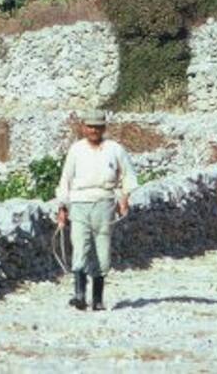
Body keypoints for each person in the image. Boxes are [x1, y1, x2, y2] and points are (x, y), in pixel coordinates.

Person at [55, 110, 138, 311]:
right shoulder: (76, 150)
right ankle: (79, 295)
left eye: (98, 127)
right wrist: (62, 207)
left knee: (102, 250)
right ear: (83, 127)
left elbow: (128, 175)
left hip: (105, 203)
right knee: (80, 246)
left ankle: (98, 299)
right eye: (90, 126)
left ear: (104, 128)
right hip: (80, 202)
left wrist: (124, 198)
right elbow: (65, 180)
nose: (94, 130)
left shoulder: (114, 149)